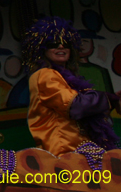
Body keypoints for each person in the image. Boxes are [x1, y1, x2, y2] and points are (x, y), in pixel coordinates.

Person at [22, 17, 121, 158]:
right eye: (53, 43)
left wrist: (112, 101)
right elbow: (75, 106)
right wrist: (108, 98)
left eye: (66, 43)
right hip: (63, 155)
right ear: (42, 49)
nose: (61, 46)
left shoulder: (66, 79)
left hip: (80, 153)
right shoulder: (45, 75)